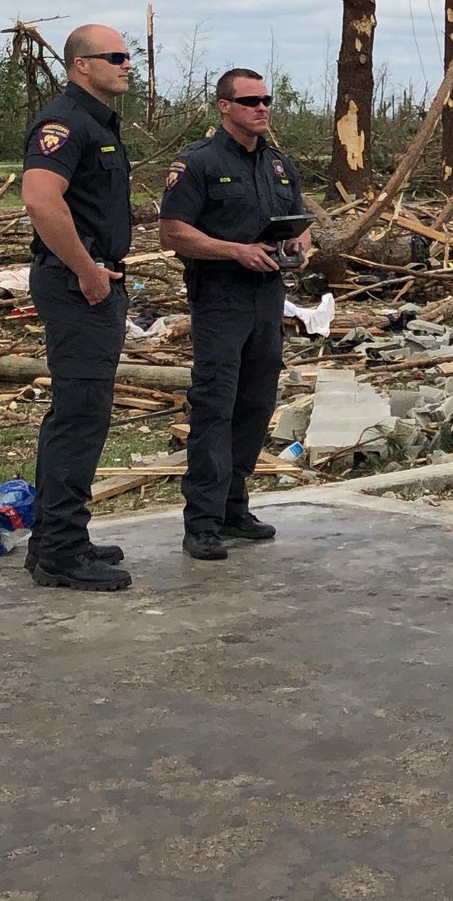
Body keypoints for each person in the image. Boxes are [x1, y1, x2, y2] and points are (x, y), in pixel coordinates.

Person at [159, 69, 310, 561]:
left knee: (256, 403)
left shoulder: (279, 165)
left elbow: (300, 220)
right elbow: (174, 233)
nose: (261, 108)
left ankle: (233, 508)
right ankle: (201, 521)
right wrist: (233, 251)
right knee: (215, 404)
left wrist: (299, 245)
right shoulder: (198, 164)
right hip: (222, 297)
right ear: (224, 106)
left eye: (266, 99)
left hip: (268, 296)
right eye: (249, 101)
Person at [22, 24, 133, 591]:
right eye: (115, 57)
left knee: (74, 412)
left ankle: (52, 539)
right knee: (82, 415)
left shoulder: (98, 124)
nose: (127, 64)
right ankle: (63, 552)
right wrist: (87, 271)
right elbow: (41, 198)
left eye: (129, 56)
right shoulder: (64, 122)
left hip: (90, 282)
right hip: (76, 286)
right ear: (80, 65)